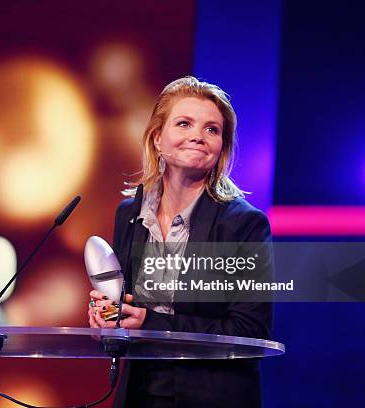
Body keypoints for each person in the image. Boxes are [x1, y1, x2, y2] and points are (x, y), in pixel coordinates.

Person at [87, 76, 273, 408]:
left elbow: (250, 331)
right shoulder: (130, 214)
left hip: (212, 397)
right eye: (184, 123)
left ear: (221, 147)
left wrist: (150, 322)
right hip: (139, 392)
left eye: (212, 130)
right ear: (158, 138)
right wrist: (110, 314)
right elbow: (125, 302)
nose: (198, 137)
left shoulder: (243, 224)